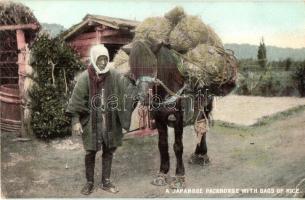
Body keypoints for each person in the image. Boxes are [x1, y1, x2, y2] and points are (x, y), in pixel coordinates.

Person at [66, 44, 137, 195]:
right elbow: (76, 101)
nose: (103, 63)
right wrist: (76, 120)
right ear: (93, 59)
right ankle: (89, 182)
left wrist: (138, 85)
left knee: (109, 151)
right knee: (90, 152)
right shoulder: (85, 78)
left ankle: (106, 181)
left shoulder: (114, 75)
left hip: (109, 121)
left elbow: (127, 89)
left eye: (105, 59)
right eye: (100, 59)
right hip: (92, 122)